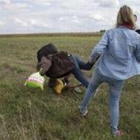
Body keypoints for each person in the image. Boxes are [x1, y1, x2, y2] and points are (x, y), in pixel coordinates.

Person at [79, 5, 140, 137]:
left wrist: (90, 61)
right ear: (131, 18)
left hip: (101, 71)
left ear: (118, 17)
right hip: (119, 76)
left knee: (90, 88)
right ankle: (114, 131)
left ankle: (82, 109)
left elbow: (97, 50)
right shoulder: (136, 37)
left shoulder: (110, 33)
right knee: (114, 101)